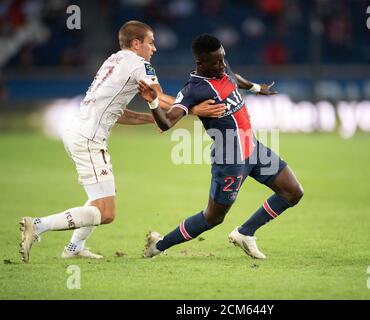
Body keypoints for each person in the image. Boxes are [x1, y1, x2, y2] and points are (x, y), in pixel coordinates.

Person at [19, 21, 226, 263]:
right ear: (136, 44)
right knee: (106, 213)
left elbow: (119, 113)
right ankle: (38, 225)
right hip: (89, 138)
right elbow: (158, 96)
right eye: (151, 42)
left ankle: (74, 247)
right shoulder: (140, 65)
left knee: (102, 195)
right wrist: (193, 109)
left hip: (77, 130)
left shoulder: (113, 61)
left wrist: (154, 120)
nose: (154, 48)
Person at [139, 34, 304, 260]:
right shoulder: (193, 90)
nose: (222, 65)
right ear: (201, 63)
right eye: (216, 62)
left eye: (223, 59)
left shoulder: (222, 67)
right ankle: (158, 245)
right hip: (230, 160)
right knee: (213, 217)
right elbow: (166, 122)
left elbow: (234, 79)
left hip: (252, 148)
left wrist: (257, 88)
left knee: (293, 192)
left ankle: (245, 233)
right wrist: (153, 102)